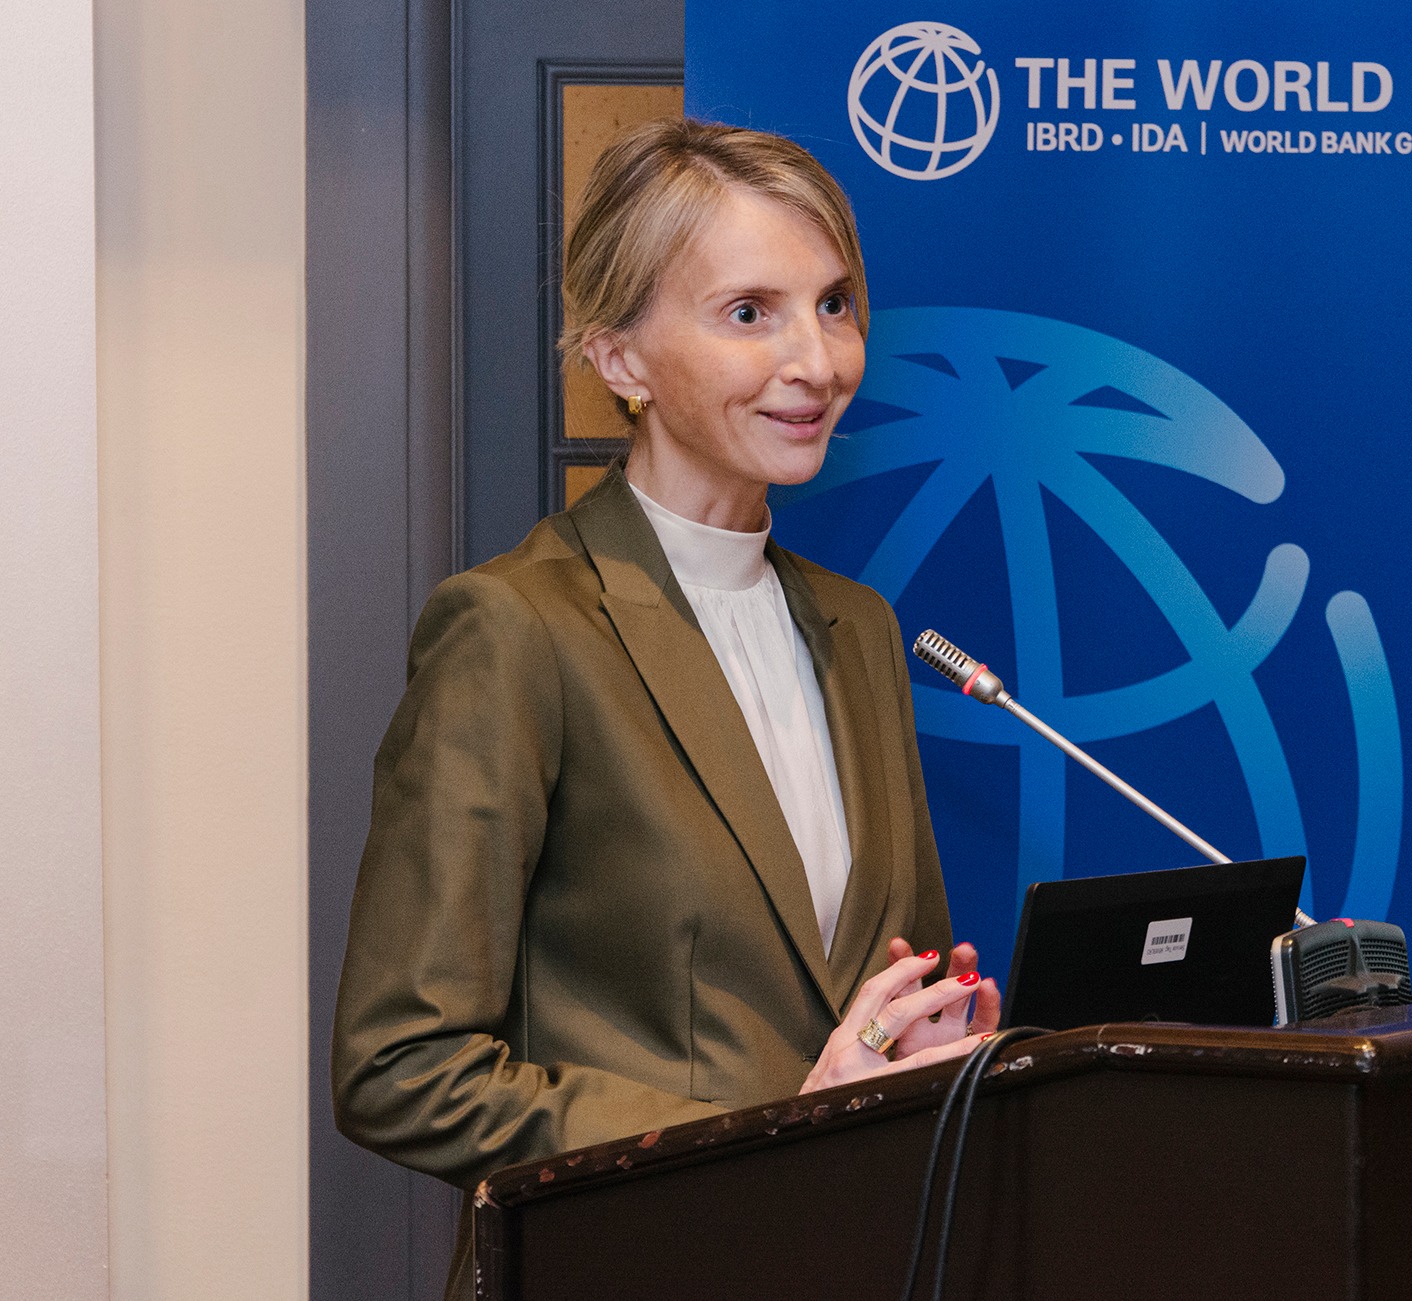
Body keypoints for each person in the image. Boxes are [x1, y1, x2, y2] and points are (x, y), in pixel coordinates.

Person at [331, 118, 1001, 1298]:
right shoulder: (516, 628)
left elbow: (871, 998)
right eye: (749, 312)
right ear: (621, 360)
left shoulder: (858, 628)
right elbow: (401, 1069)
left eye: (834, 304)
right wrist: (774, 1129)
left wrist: (922, 1045)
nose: (816, 361)